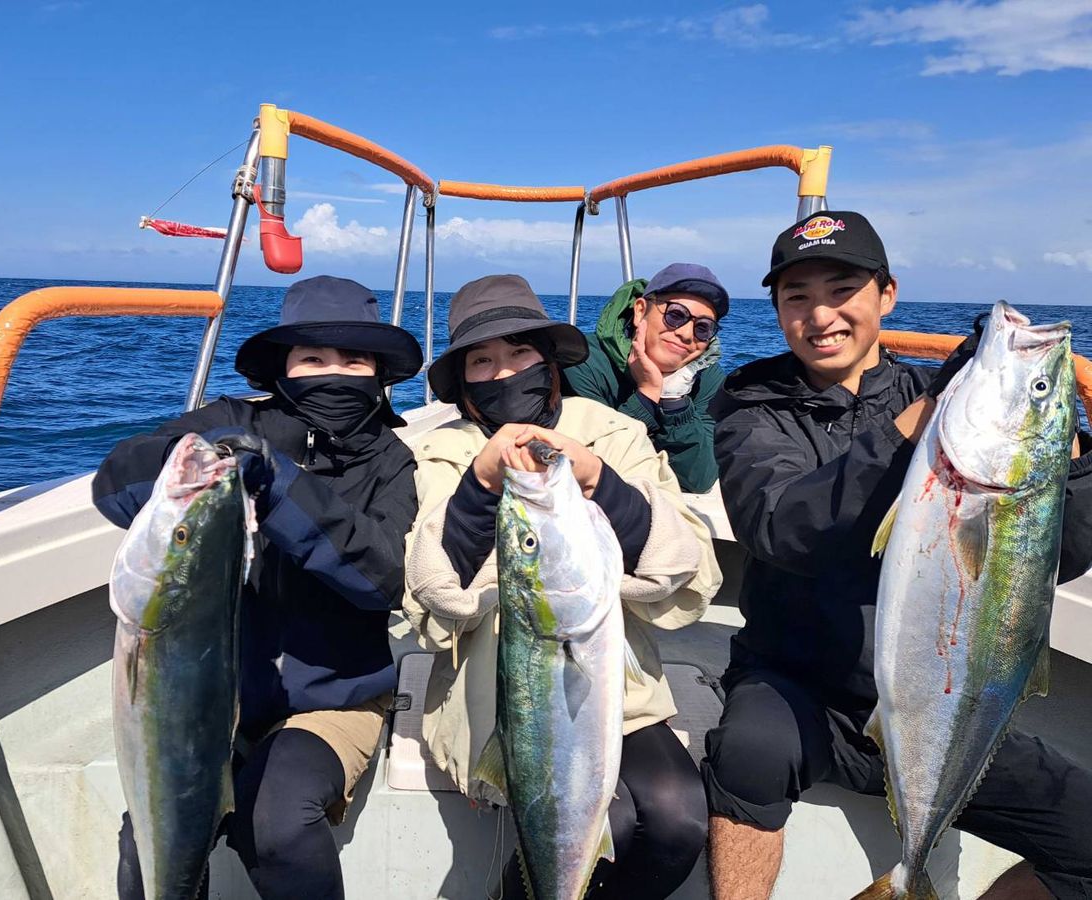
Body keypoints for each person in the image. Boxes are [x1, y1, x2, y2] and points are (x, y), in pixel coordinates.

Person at [705, 211, 1092, 900]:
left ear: (887, 294)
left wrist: (1073, 467)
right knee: (747, 753)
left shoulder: (938, 397)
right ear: (777, 310)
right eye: (797, 296)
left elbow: (1055, 558)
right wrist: (913, 430)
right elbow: (779, 528)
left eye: (842, 288)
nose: (821, 314)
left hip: (947, 701)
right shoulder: (751, 406)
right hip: (796, 684)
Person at [92, 275, 423, 900]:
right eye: (313, 358)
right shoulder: (232, 420)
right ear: (283, 368)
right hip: (204, 696)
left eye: (354, 359)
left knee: (275, 820)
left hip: (333, 701)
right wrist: (191, 459)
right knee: (150, 842)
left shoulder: (390, 461)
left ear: (377, 373)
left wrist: (283, 483)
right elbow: (114, 485)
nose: (335, 372)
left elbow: (383, 580)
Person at [402, 273, 723, 898]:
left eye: (519, 353)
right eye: (482, 360)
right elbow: (434, 597)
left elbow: (689, 567)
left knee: (680, 820)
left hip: (609, 684)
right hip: (497, 701)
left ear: (548, 360)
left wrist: (600, 477)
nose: (502, 374)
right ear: (462, 379)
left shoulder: (611, 432)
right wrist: (479, 486)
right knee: (617, 822)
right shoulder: (442, 452)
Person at [563, 263, 728, 493]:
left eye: (703, 328)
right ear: (640, 311)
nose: (686, 334)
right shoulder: (581, 362)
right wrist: (647, 395)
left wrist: (674, 399)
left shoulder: (707, 379)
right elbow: (587, 467)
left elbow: (699, 478)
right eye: (676, 315)